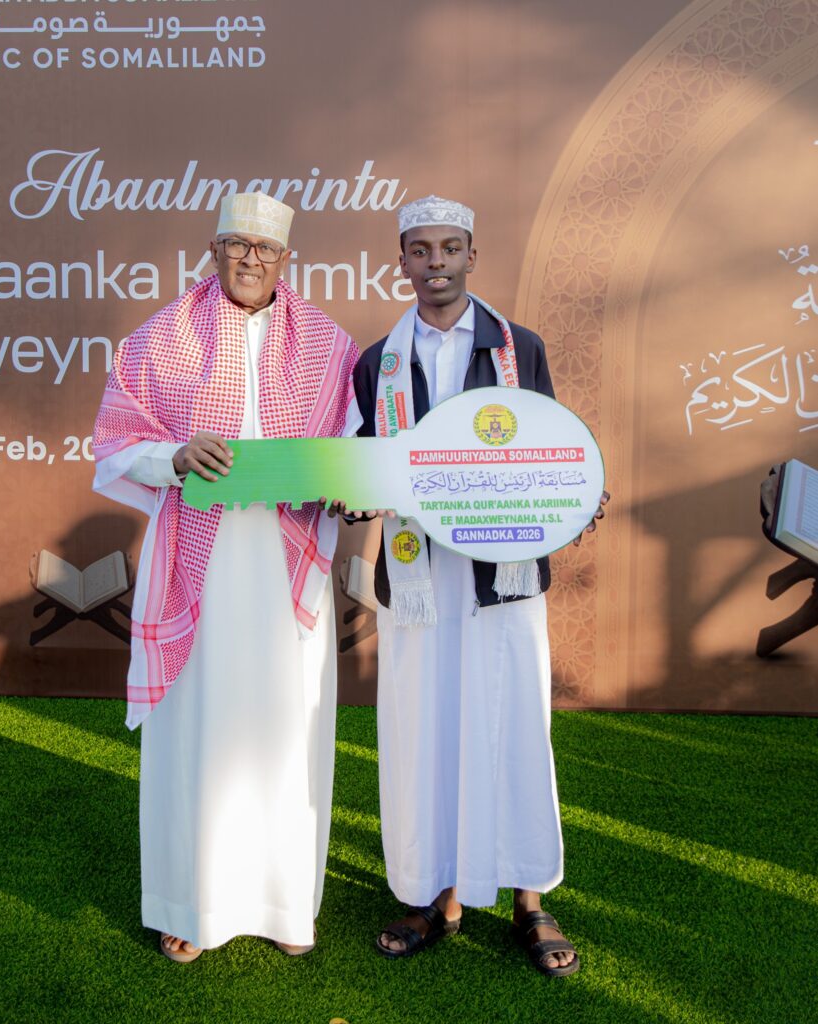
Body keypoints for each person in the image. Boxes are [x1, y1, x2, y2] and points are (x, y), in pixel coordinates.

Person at [91, 193, 359, 962]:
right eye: (236, 245)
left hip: (285, 562)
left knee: (287, 727)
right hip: (195, 561)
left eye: (264, 249)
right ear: (212, 251)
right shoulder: (161, 338)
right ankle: (190, 902)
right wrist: (172, 457)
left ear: (286, 260)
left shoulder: (327, 343)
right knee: (196, 729)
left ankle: (284, 905)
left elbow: (350, 441)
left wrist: (342, 479)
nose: (250, 260)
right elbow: (114, 443)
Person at [352, 195, 607, 977]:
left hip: (503, 573)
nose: (435, 263)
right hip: (418, 576)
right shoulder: (375, 362)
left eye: (449, 247)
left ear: (471, 255)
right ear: (401, 260)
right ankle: (437, 894)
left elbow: (551, 442)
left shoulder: (517, 348)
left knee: (514, 723)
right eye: (419, 249)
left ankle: (529, 897)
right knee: (422, 730)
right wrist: (352, 489)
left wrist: (576, 496)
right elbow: (365, 459)